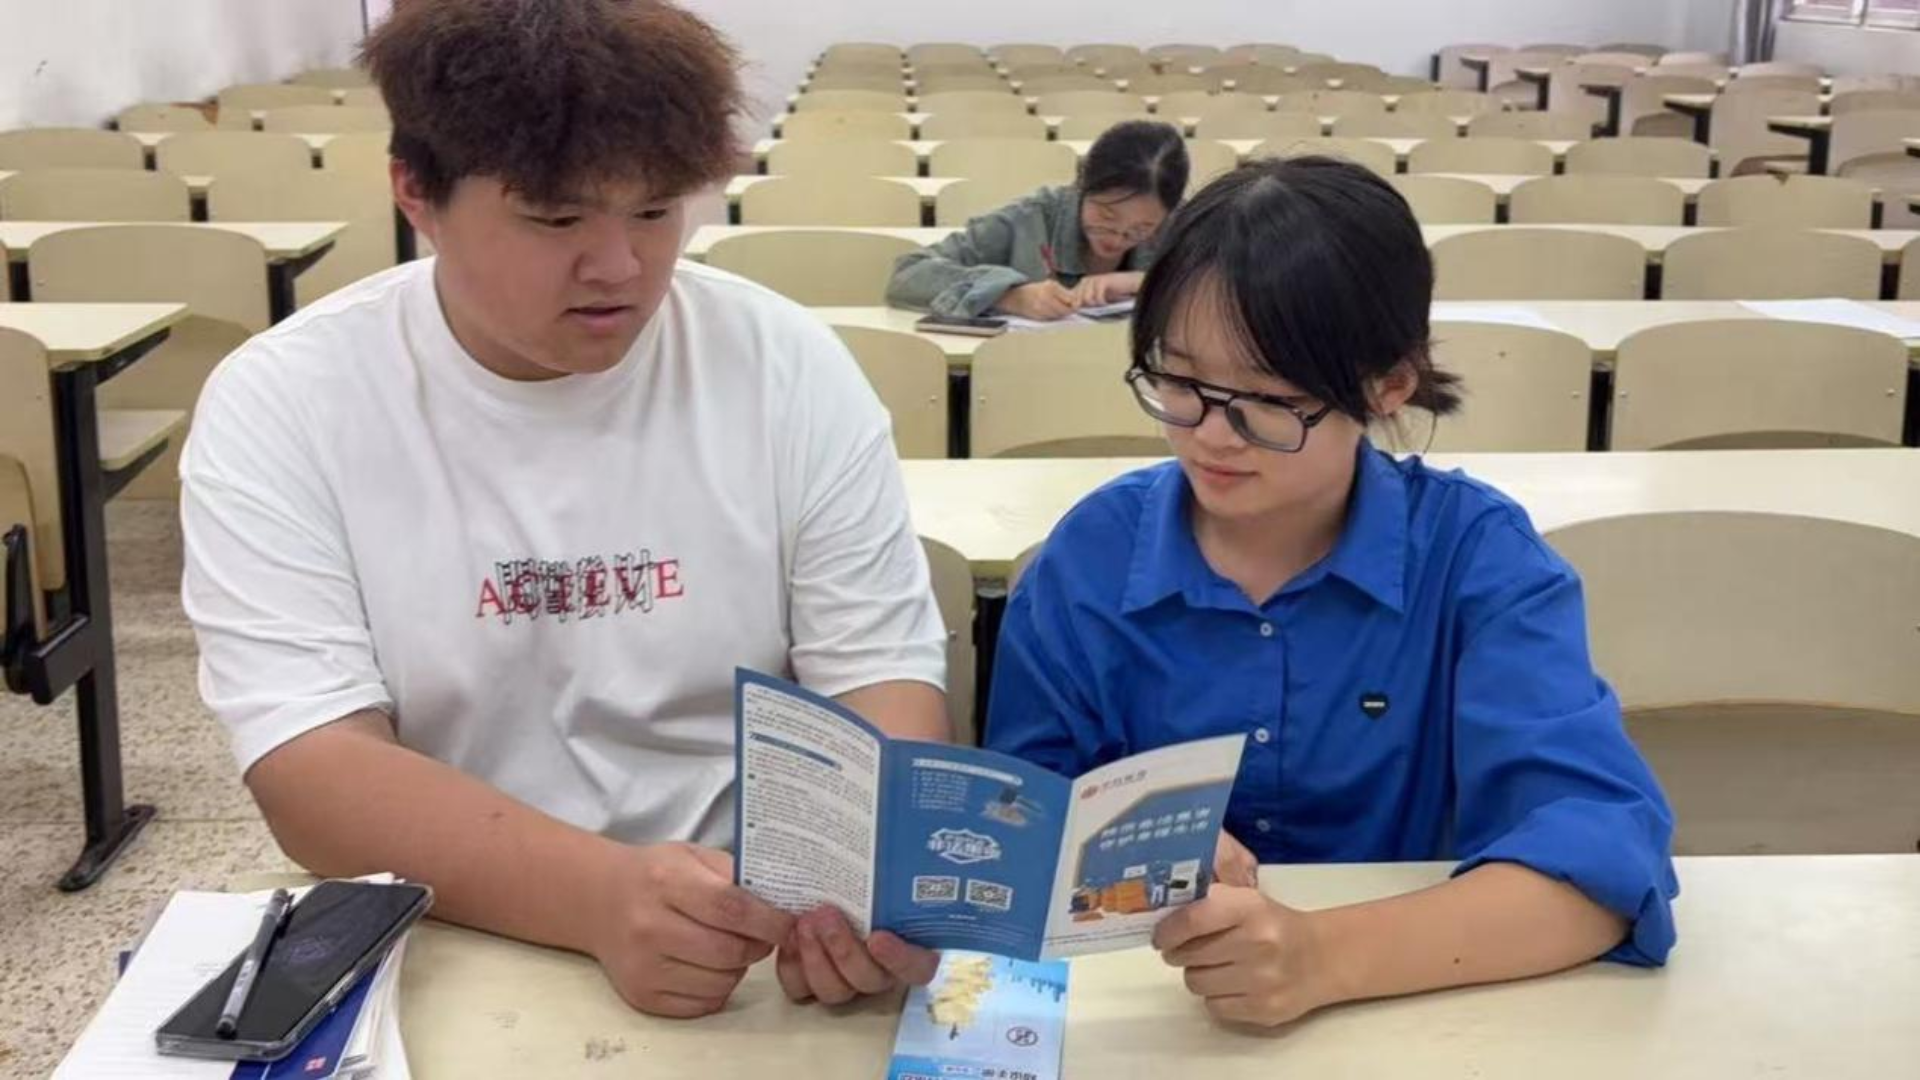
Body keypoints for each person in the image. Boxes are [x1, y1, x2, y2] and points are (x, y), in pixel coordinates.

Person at [179, 0, 947, 1020]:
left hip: (752, 932)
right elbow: (313, 763)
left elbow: (877, 670)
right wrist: (598, 896)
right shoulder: (289, 399)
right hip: (450, 916)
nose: (619, 267)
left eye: (655, 212)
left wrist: (870, 887)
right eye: (555, 219)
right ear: (417, 192)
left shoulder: (782, 363)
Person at [984, 157, 1678, 1028]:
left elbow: (1601, 868)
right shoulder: (1091, 557)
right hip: (1145, 1010)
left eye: (1269, 399)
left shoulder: (1475, 560)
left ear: (1388, 385)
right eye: (1180, 380)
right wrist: (1126, 840)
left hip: (1413, 1013)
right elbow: (1010, 817)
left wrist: (1319, 955)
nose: (1211, 436)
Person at [886, 120, 1188, 322]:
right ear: (1081, 185)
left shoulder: (1180, 224)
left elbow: (1218, 284)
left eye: (1141, 229)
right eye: (1106, 216)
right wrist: (1008, 295)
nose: (1118, 237)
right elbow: (908, 275)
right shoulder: (1028, 218)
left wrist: (1143, 281)